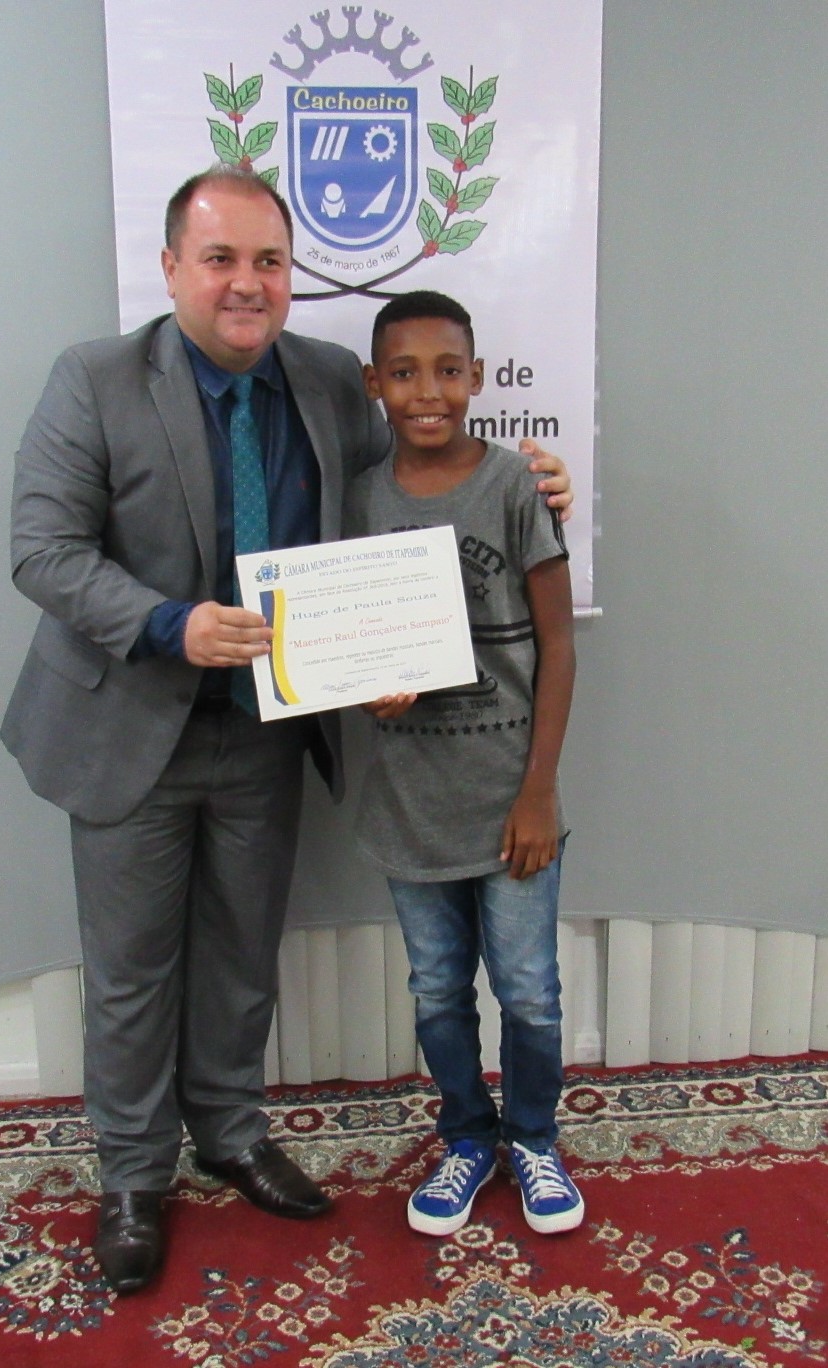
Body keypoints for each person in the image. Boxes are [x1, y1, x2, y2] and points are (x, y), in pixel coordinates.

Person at [1, 168, 574, 1293]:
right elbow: (42, 550)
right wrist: (168, 623)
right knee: (130, 971)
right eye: (220, 259)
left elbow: (422, 470)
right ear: (171, 267)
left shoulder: (322, 379)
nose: (246, 284)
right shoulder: (94, 379)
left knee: (240, 950)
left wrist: (535, 480)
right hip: (131, 728)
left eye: (268, 261)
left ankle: (229, 1130)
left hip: (270, 724)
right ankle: (132, 1176)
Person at [342, 289, 583, 1239]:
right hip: (409, 804)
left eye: (448, 371)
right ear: (375, 384)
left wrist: (539, 792)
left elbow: (559, 644)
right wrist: (369, 685)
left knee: (529, 991)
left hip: (511, 802)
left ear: (478, 378)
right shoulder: (360, 500)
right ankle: (467, 1138)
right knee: (437, 990)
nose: (428, 392)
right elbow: (342, 643)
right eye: (404, 373)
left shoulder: (516, 487)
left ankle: (534, 1138)